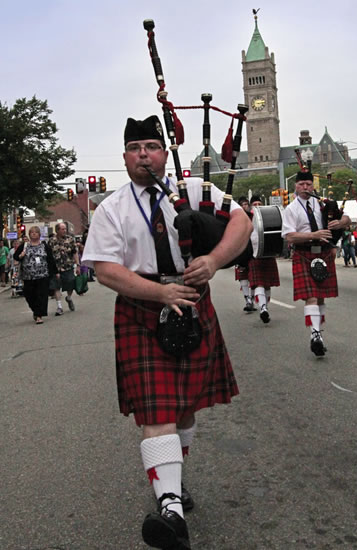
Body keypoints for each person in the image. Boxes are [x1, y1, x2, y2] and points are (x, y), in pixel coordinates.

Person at [82, 115, 252, 550]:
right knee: (158, 414)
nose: (144, 154)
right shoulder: (112, 208)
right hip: (143, 308)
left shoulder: (194, 191)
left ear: (164, 152)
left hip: (194, 300)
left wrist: (213, 262)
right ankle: (171, 509)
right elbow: (105, 269)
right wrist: (159, 293)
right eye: (135, 147)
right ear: (124, 157)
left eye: (151, 146)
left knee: (186, 408)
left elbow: (242, 223)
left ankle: (172, 482)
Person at [281, 170, 350, 356]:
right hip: (304, 253)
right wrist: (314, 235)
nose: (305, 187)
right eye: (301, 184)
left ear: (313, 186)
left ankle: (318, 333)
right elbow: (290, 236)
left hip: (324, 253)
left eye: (308, 184)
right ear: (295, 186)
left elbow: (347, 219)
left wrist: (340, 224)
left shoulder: (324, 204)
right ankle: (315, 335)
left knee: (320, 297)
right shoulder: (291, 209)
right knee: (311, 296)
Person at [13, 226, 57, 324]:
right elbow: (16, 256)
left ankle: (39, 315)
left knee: (41, 295)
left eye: (36, 232)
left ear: (39, 234)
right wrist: (21, 255)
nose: (33, 234)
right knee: (29, 295)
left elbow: (50, 259)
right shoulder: (24, 246)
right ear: (29, 234)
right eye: (31, 232)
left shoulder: (44, 245)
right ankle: (35, 310)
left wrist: (55, 272)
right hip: (28, 276)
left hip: (43, 275)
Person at [248, 195, 280, 324]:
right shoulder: (247, 218)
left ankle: (264, 306)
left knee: (267, 283)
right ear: (251, 206)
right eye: (254, 204)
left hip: (268, 252)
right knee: (259, 283)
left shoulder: (268, 217)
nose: (257, 206)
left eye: (259, 203)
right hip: (254, 254)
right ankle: (262, 308)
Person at [48, 222, 81, 315]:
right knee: (56, 287)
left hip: (68, 267)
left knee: (70, 284)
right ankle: (59, 307)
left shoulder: (70, 240)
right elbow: (49, 255)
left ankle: (69, 298)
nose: (64, 231)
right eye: (62, 229)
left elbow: (75, 252)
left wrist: (78, 265)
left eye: (65, 229)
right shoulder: (51, 241)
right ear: (57, 230)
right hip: (56, 268)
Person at [235, 196, 256, 312]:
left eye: (246, 204)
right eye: (242, 204)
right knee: (243, 276)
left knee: (252, 276)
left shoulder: (254, 216)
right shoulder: (235, 218)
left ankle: (251, 300)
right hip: (240, 249)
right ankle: (247, 300)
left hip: (253, 249)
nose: (244, 206)